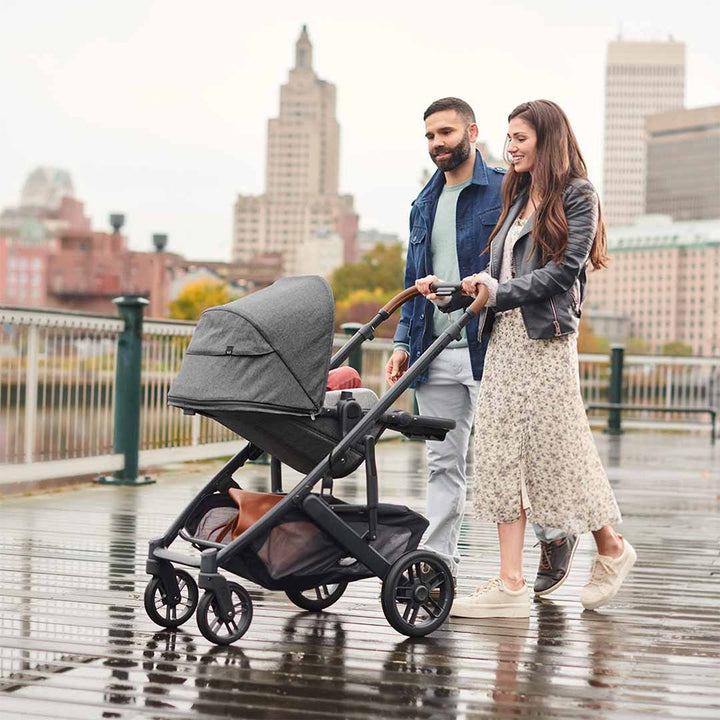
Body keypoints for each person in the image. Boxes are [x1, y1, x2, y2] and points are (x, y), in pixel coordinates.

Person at [443, 99, 636, 618]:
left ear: (547, 140)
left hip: (546, 341)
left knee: (560, 453)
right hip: (504, 339)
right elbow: (499, 274)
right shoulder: (519, 195)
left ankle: (612, 548)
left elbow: (563, 271)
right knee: (501, 453)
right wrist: (458, 291)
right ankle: (510, 583)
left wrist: (497, 293)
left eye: (520, 138)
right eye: (508, 139)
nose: (510, 148)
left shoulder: (578, 195)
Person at [386, 98, 575, 591]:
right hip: (433, 348)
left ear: (471, 130)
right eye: (429, 136)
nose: (437, 144)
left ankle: (554, 533)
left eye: (446, 133)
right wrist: (404, 340)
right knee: (443, 462)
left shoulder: (506, 190)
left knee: (513, 452)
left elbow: (536, 258)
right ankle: (436, 562)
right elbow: (414, 279)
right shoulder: (423, 202)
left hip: (489, 344)